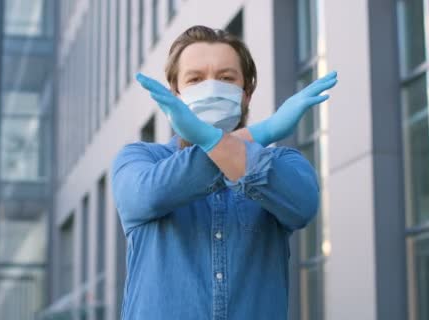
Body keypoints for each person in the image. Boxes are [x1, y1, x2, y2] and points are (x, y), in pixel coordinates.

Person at [111, 25, 337, 320]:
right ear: (175, 94)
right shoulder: (139, 158)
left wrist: (221, 143)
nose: (211, 87)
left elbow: (303, 204)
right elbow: (146, 197)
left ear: (246, 94)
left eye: (226, 78)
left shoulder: (283, 162)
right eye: (195, 79)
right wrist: (259, 133)